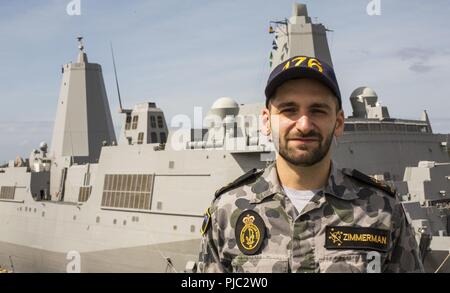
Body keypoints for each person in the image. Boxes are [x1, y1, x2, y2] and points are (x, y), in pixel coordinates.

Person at [197, 55, 424, 273]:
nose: (304, 125)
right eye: (289, 110)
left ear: (338, 122)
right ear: (266, 121)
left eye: (318, 110)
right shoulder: (228, 211)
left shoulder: (382, 209)